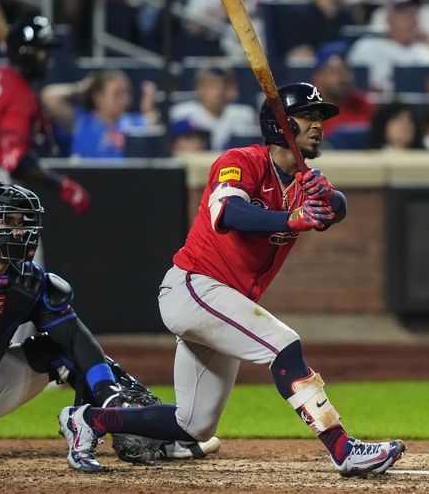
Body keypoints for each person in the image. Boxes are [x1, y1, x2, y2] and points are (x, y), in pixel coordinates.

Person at [57, 83, 406, 476]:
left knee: (194, 425)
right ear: (280, 124)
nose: (317, 125)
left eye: (319, 118)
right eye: (307, 116)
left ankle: (87, 420)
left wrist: (332, 200)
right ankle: (343, 448)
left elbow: (333, 210)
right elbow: (228, 213)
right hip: (195, 287)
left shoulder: (303, 183)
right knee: (284, 345)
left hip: (224, 301)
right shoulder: (240, 161)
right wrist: (291, 218)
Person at [0, 183, 219, 467]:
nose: (21, 231)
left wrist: (109, 395)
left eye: (25, 222)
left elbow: (75, 340)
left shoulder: (30, 282)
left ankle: (148, 433)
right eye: (9, 222)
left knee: (64, 352)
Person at [0, 15, 90, 228]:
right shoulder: (21, 94)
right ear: (24, 52)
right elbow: (16, 160)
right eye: (41, 51)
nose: (47, 58)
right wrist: (61, 184)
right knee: (26, 249)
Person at [40, 70, 161, 158]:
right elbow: (48, 97)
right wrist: (80, 88)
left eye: (127, 93)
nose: (125, 99)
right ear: (98, 97)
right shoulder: (81, 121)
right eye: (117, 94)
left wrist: (148, 108)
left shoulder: (133, 122)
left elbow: (153, 122)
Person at [347, 0, 429, 91]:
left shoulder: (424, 52)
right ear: (389, 19)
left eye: (414, 13)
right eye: (405, 14)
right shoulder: (366, 47)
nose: (412, 19)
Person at [169, 63, 258, 152]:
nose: (217, 91)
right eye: (211, 86)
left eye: (222, 85)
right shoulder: (181, 113)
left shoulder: (244, 115)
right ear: (198, 88)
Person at [310, 42, 374, 138]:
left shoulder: (362, 104)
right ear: (317, 77)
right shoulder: (307, 110)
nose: (342, 78)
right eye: (334, 72)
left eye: (345, 71)